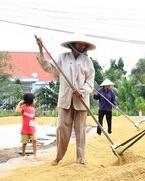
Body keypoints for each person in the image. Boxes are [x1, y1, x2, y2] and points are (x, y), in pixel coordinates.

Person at [35, 33, 96, 165]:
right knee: (62, 128)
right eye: (79, 43)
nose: (82, 46)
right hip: (65, 100)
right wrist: (40, 48)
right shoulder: (62, 58)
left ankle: (81, 160)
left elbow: (90, 82)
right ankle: (58, 157)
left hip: (81, 101)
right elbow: (48, 67)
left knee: (80, 131)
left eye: (83, 44)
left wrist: (82, 91)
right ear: (72, 45)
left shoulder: (87, 62)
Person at [15, 92, 37, 157]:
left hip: (32, 129)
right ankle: (23, 155)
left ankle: (35, 155)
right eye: (34, 99)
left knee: (34, 140)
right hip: (25, 130)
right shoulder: (23, 107)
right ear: (31, 100)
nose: (35, 101)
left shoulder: (33, 109)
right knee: (24, 143)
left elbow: (33, 118)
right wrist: (19, 103)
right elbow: (17, 111)